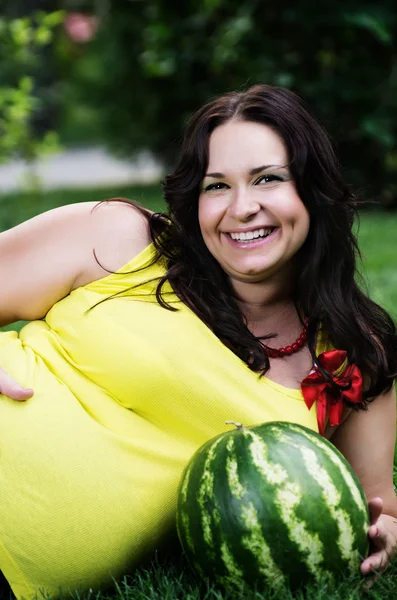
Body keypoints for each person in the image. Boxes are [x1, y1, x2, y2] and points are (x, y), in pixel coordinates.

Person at [0, 84, 396, 598]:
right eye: (216, 186)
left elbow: (376, 511)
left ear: (312, 190)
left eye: (268, 179)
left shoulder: (352, 353)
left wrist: (387, 532)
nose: (241, 208)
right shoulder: (118, 237)